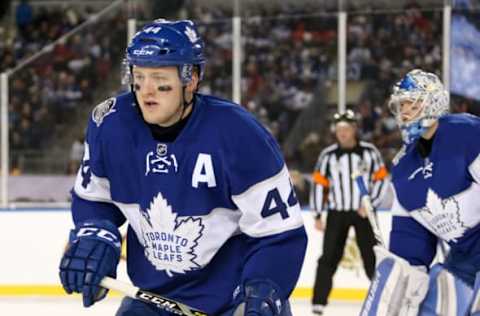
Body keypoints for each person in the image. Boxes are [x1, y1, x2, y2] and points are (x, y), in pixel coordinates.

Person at [58, 19, 307, 316]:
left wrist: (264, 289)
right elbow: (94, 199)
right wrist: (95, 232)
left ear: (191, 80)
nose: (147, 90)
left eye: (160, 78)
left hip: (233, 303)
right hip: (153, 300)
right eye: (140, 76)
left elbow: (278, 233)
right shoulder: (111, 125)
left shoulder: (238, 134)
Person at [360, 69, 480, 315]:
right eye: (400, 106)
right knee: (434, 302)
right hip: (464, 259)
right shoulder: (404, 167)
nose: (403, 112)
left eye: (410, 104)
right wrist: (401, 271)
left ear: (433, 101)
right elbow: (411, 242)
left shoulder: (467, 133)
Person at [309, 110, 389, 315]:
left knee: (372, 257)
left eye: (346, 128)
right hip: (337, 212)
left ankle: (382, 299)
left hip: (364, 212)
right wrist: (317, 214)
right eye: (339, 129)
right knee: (328, 257)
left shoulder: (369, 152)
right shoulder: (327, 156)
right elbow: (319, 185)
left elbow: (381, 179)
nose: (342, 133)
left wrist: (371, 204)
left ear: (354, 129)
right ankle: (318, 303)